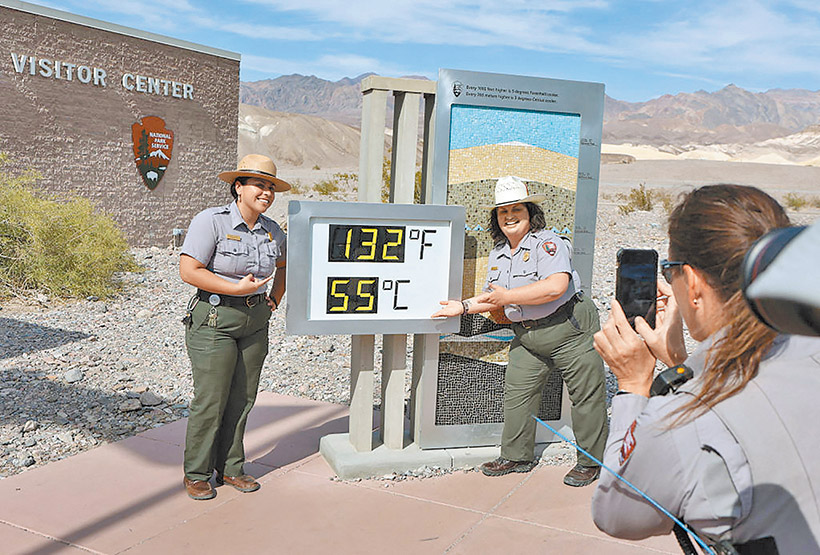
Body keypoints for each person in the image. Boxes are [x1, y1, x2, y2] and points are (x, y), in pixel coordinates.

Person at [591, 184, 820, 553]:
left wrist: (634, 386)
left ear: (693, 282)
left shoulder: (679, 418)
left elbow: (618, 515)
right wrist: (682, 364)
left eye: (670, 271)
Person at [433, 176, 609, 486]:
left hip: (570, 330)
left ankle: (590, 462)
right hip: (528, 336)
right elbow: (492, 296)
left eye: (517, 209)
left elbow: (556, 287)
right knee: (517, 395)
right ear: (496, 218)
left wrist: (508, 298)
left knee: (587, 398)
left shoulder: (549, 243)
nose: (510, 216)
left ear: (530, 213)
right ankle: (516, 456)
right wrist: (460, 308)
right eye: (503, 211)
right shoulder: (499, 254)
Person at [178, 154, 289, 500]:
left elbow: (283, 265)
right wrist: (236, 289)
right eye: (259, 185)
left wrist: (275, 298)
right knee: (211, 399)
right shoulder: (210, 221)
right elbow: (189, 270)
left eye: (270, 187)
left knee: (243, 398)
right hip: (215, 319)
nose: (266, 192)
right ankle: (197, 472)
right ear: (238, 187)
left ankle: (231, 468)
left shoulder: (272, 230)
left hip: (255, 320)